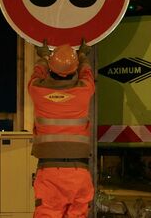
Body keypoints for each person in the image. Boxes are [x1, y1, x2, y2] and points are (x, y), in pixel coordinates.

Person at [28, 40, 94, 218]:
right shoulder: (84, 91)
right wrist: (82, 56)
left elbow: (36, 75)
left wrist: (42, 57)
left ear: (50, 69)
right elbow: (86, 73)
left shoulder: (37, 91)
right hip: (79, 173)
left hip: (49, 174)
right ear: (74, 70)